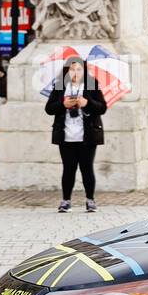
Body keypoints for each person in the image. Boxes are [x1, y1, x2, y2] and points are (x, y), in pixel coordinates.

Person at [45, 55, 107, 213]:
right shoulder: (60, 86)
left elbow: (102, 108)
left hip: (87, 135)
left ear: (84, 71)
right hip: (66, 135)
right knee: (68, 168)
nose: (75, 72)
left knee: (87, 168)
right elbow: (49, 108)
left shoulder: (92, 85)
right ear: (67, 71)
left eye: (79, 69)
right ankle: (66, 200)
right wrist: (63, 104)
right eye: (72, 69)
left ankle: (90, 200)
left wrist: (87, 103)